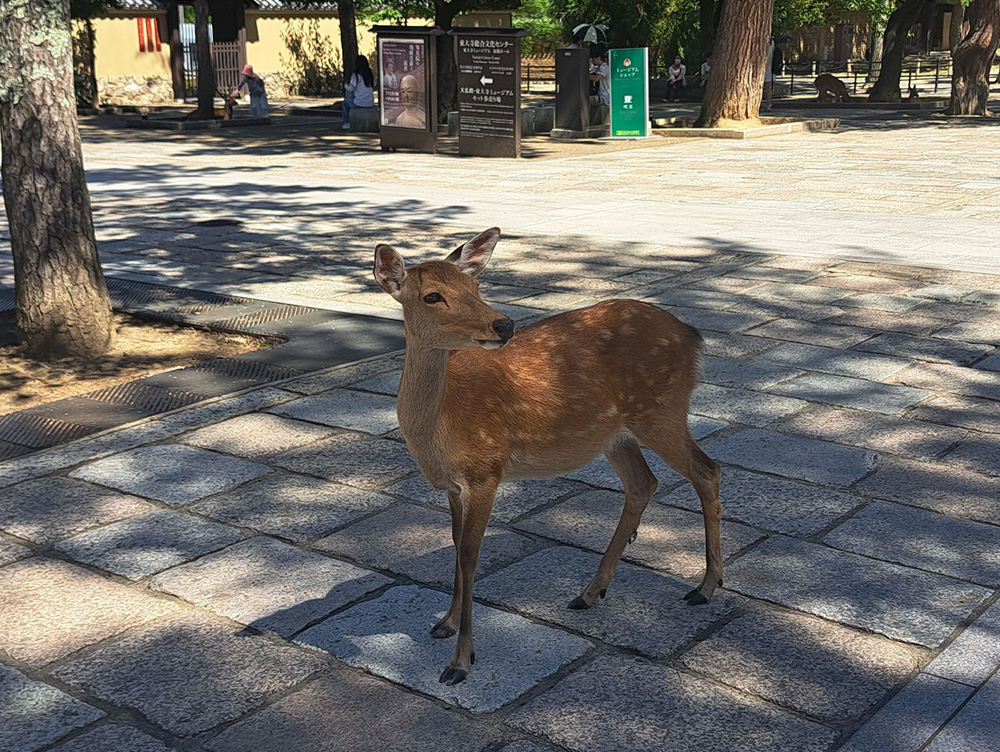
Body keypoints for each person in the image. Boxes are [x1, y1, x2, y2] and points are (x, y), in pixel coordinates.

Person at [343, 54, 375, 129]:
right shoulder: (369, 74)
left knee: (345, 103)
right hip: (370, 102)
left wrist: (345, 85)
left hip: (360, 102)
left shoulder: (356, 75)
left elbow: (350, 88)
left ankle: (346, 123)